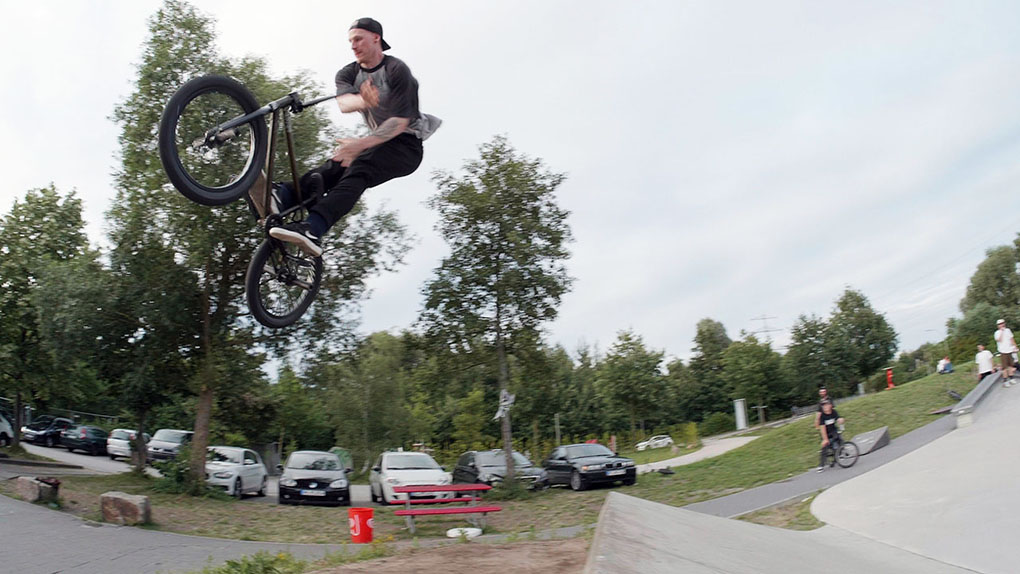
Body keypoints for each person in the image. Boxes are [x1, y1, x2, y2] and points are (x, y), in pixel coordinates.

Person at [253, 18, 440, 257]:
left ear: (376, 38)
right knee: (332, 167)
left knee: (359, 168)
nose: (353, 46)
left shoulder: (397, 71)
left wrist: (359, 145)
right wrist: (364, 100)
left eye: (358, 39)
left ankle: (314, 228)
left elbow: (399, 122)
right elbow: (344, 103)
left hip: (406, 147)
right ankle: (285, 196)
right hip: (378, 143)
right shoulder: (349, 72)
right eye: (350, 41)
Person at [816, 400, 845, 472]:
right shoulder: (822, 416)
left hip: (833, 431)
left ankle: (839, 454)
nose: (825, 407)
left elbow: (838, 418)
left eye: (826, 405)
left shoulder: (833, 412)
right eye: (823, 406)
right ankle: (821, 465)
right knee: (825, 447)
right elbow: (822, 429)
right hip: (826, 433)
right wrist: (825, 439)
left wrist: (840, 420)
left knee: (840, 439)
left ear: (830, 405)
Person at [994, 319, 1017, 385]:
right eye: (1000, 324)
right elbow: (999, 340)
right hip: (1003, 351)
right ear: (998, 326)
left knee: (1010, 365)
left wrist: (1015, 346)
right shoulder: (997, 333)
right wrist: (1001, 331)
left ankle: (1011, 378)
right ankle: (1005, 380)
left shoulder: (1008, 330)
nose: (1002, 325)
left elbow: (1011, 339)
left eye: (1002, 323)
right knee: (1004, 367)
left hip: (1009, 350)